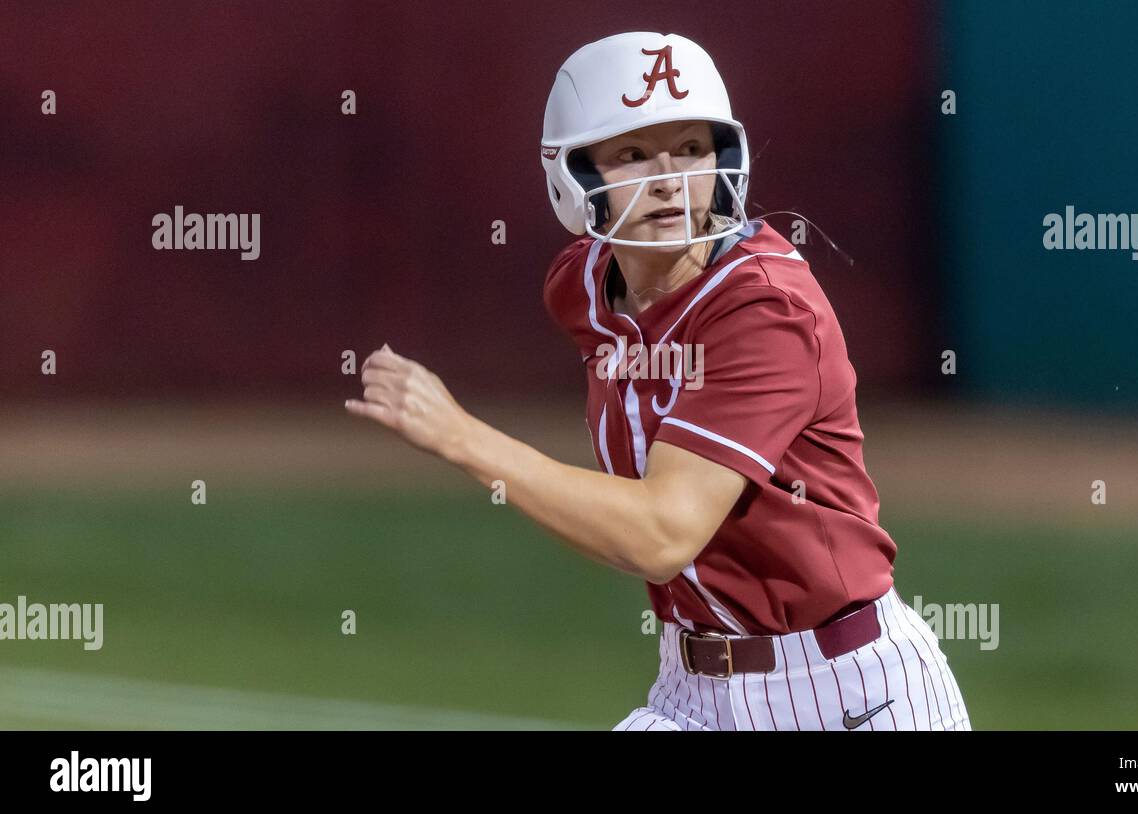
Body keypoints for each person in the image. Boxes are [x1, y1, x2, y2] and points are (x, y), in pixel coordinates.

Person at [346, 31, 971, 731]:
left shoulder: (766, 309)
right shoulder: (582, 286)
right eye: (633, 155)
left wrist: (463, 437)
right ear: (573, 176)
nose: (669, 178)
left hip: (847, 695)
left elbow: (661, 531)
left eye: (692, 149)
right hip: (692, 690)